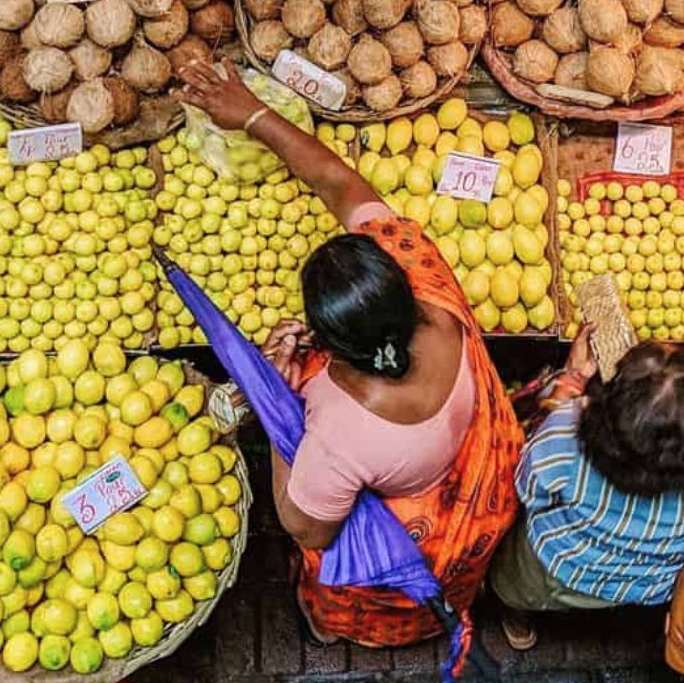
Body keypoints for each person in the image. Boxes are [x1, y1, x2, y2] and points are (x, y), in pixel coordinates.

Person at [177, 60, 524, 649]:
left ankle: (341, 630)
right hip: (472, 480)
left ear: (328, 346)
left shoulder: (339, 428)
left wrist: (282, 405)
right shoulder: (429, 281)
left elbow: (304, 526)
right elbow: (340, 184)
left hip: (411, 534)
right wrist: (255, 116)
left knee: (357, 598)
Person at [490, 333, 684, 649]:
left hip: (553, 567)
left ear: (602, 406)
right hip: (644, 586)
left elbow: (526, 487)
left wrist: (572, 378)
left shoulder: (566, 434)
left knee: (516, 590)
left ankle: (518, 623)